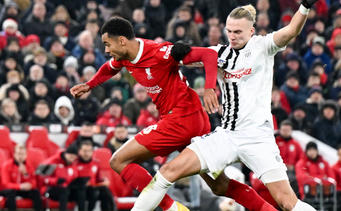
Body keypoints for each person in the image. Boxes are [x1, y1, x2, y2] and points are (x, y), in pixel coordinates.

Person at [132, 1, 319, 211]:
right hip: (227, 135)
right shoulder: (217, 53)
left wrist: (304, 6)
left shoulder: (264, 46)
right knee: (168, 171)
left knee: (287, 202)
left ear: (251, 31)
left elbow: (291, 30)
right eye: (229, 31)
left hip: (258, 138)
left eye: (238, 31)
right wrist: (156, 51)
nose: (232, 36)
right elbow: (175, 57)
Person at [70, 16, 217, 211]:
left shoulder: (158, 52)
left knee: (118, 160)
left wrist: (209, 89)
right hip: (189, 117)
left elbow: (208, 55)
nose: (105, 50)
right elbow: (108, 68)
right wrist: (90, 85)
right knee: (220, 184)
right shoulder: (125, 57)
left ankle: (172, 208)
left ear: (122, 40)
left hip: (180, 119)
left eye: (107, 44)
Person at [1, 144, 43, 211]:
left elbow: (34, 183)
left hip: (23, 190)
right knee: (11, 193)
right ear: (14, 154)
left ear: (26, 155)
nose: (20, 156)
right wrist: (19, 186)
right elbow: (5, 184)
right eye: (18, 154)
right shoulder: (7, 165)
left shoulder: (29, 166)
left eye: (22, 154)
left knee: (36, 192)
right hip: (9, 190)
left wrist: (25, 174)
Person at [76, 141, 115, 211]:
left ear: (92, 152)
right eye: (85, 151)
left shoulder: (95, 163)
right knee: (92, 192)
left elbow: (97, 178)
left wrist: (103, 181)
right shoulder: (75, 163)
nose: (87, 153)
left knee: (105, 191)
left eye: (89, 151)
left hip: (93, 188)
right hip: (79, 190)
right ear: (79, 151)